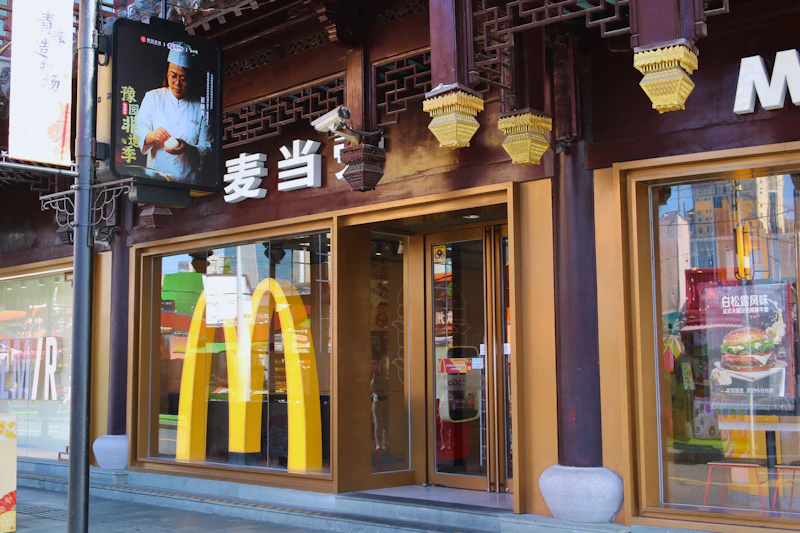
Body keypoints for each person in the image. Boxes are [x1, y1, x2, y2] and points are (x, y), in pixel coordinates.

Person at [135, 42, 212, 184]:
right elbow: (138, 131)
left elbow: (207, 147)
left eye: (183, 78)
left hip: (188, 183)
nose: (177, 83)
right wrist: (153, 135)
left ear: (190, 78)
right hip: (157, 181)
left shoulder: (200, 107)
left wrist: (187, 148)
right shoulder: (153, 97)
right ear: (167, 74)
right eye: (173, 76)